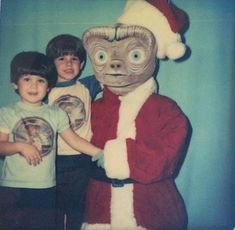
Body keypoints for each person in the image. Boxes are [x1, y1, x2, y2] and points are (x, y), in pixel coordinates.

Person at [0, 51, 102, 230]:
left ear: (49, 87)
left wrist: (100, 154)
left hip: (46, 187)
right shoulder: (7, 112)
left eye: (40, 81)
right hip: (13, 187)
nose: (34, 86)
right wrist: (19, 146)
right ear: (15, 84)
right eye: (27, 79)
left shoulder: (56, 113)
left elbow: (74, 140)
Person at [45, 34, 102, 230]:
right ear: (51, 64)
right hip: (54, 158)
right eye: (61, 58)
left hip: (81, 158)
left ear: (82, 63)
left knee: (78, 208)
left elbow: (110, 68)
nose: (68, 64)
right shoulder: (45, 90)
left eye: (74, 59)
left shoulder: (87, 86)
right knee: (54, 208)